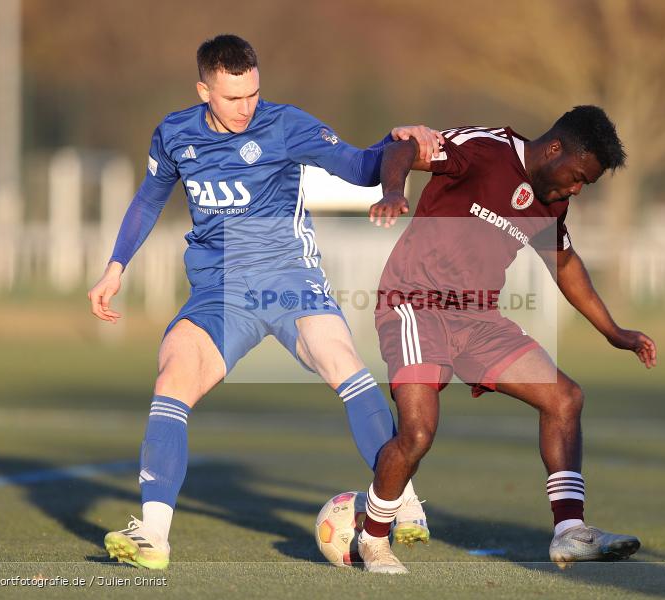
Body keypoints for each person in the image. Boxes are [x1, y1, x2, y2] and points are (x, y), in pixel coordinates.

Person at [88, 34, 440, 569]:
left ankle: (403, 502)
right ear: (204, 90)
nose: (246, 107)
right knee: (172, 378)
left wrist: (401, 147)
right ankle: (153, 537)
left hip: (287, 280)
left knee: (342, 362)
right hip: (218, 291)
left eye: (253, 93)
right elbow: (149, 198)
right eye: (233, 98)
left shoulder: (284, 124)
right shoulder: (175, 134)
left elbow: (361, 166)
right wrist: (115, 267)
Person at [357, 106, 658, 573]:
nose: (576, 189)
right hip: (414, 304)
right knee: (417, 434)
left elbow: (564, 264)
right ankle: (372, 537)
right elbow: (402, 148)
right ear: (554, 148)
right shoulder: (485, 149)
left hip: (478, 319)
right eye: (577, 176)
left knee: (565, 399)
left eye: (585, 185)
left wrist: (614, 332)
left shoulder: (552, 199)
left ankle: (570, 533)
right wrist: (394, 190)